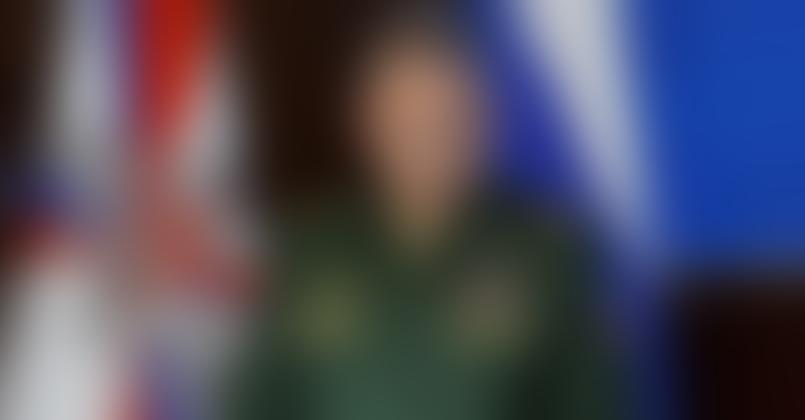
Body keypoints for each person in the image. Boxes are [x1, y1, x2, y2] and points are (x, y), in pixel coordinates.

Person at [230, 7, 621, 420]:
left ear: (483, 123)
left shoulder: (549, 261)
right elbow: (258, 406)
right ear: (368, 124)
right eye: (407, 118)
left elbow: (589, 406)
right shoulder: (308, 255)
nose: (427, 137)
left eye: (446, 116)